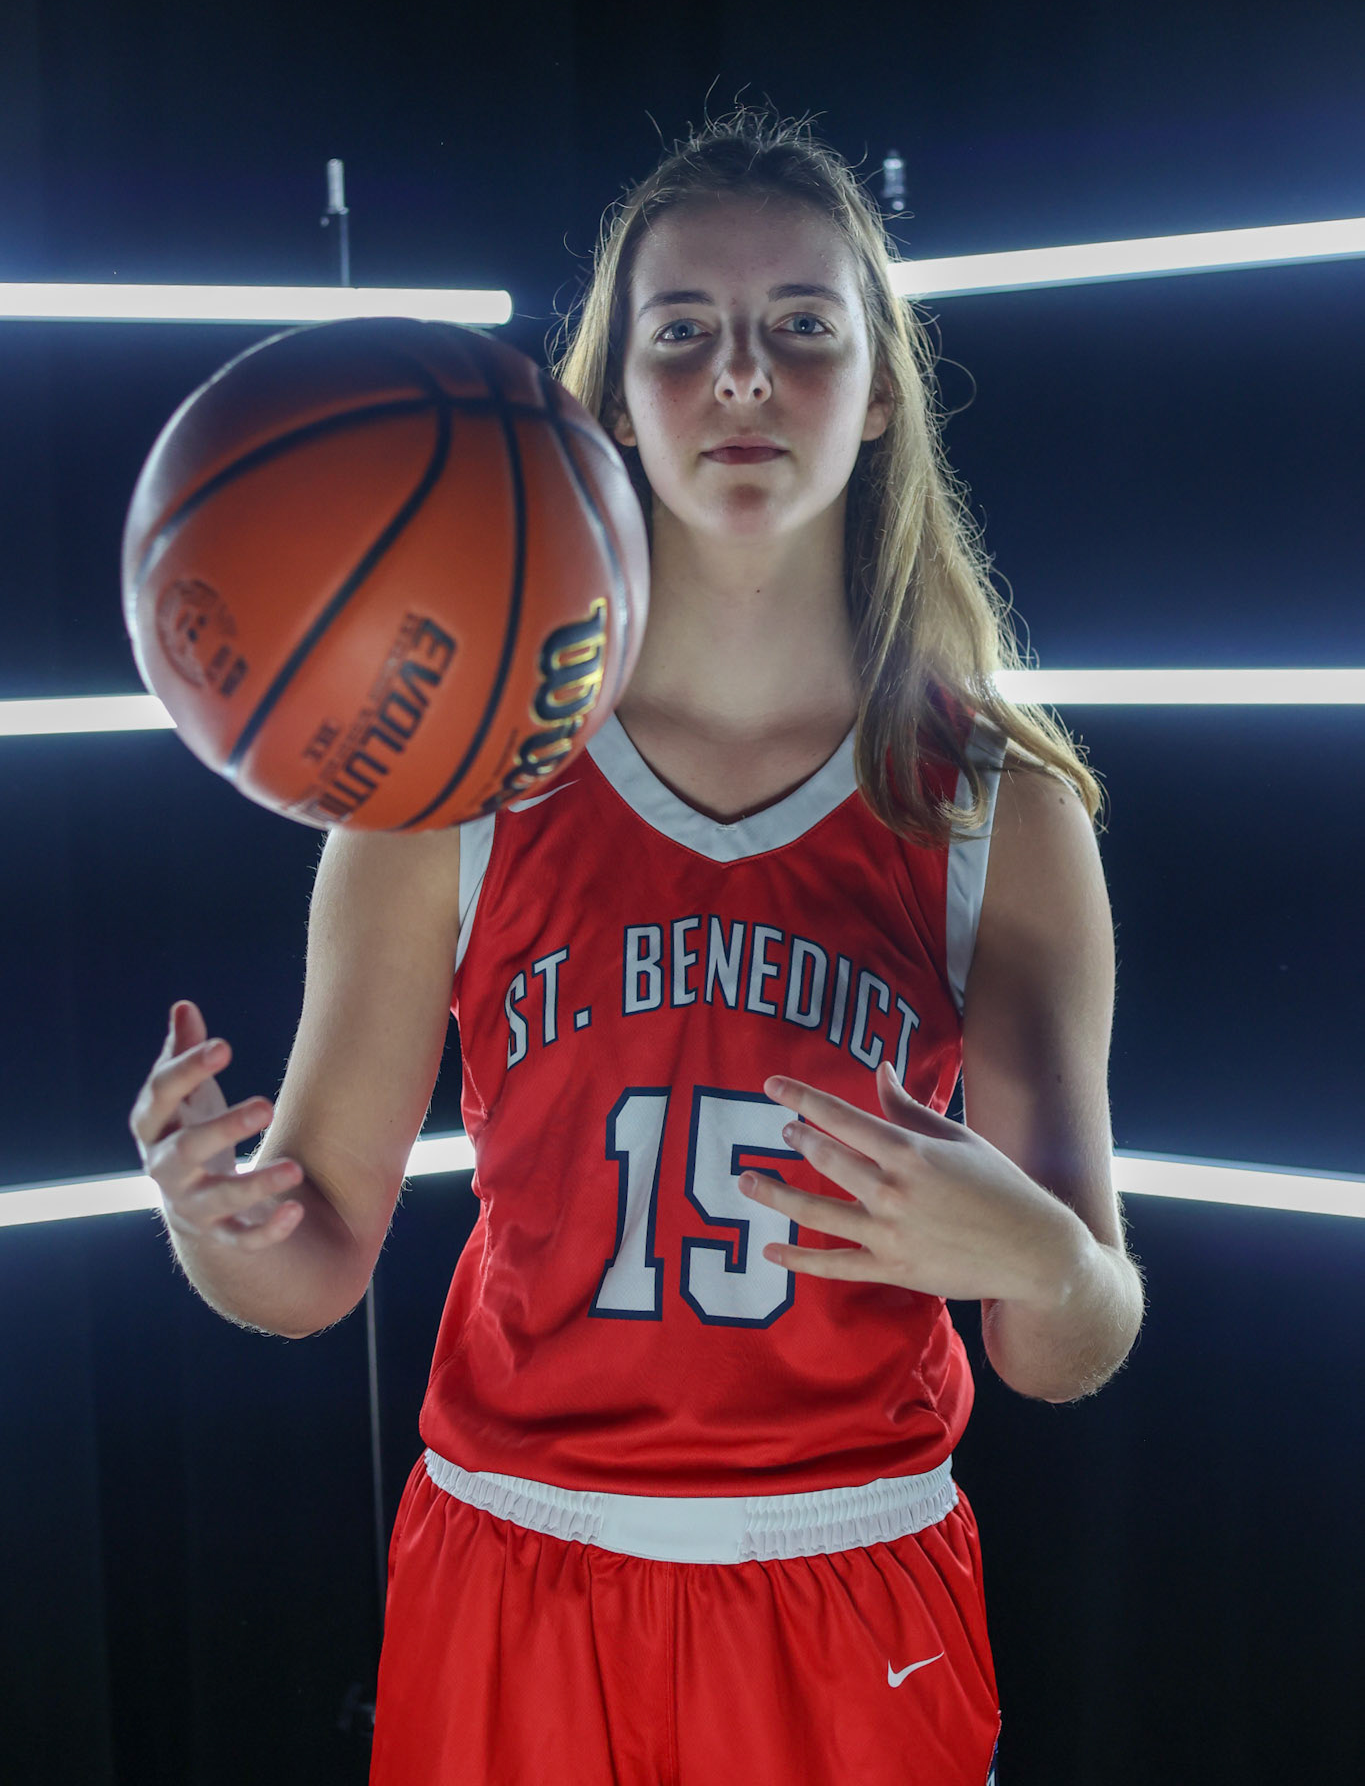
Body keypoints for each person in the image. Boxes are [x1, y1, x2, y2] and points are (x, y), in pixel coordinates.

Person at [131, 107, 1145, 1786]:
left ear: (878, 390)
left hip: (845, 1573)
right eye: (681, 334)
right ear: (609, 400)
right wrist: (213, 1223)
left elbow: (1069, 1340)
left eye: (800, 325)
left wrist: (1040, 1264)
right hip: (512, 1558)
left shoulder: (990, 808)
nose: (741, 373)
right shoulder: (451, 785)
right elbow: (309, 1273)